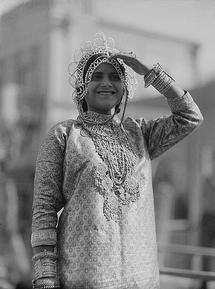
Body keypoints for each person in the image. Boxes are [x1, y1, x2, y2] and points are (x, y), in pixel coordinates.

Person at [31, 31, 203, 289]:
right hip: (84, 277)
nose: (107, 83)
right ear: (82, 86)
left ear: (125, 87)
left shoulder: (141, 133)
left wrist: (151, 74)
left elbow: (190, 116)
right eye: (96, 77)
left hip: (141, 277)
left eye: (115, 77)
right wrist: (45, 278)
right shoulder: (65, 135)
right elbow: (44, 210)